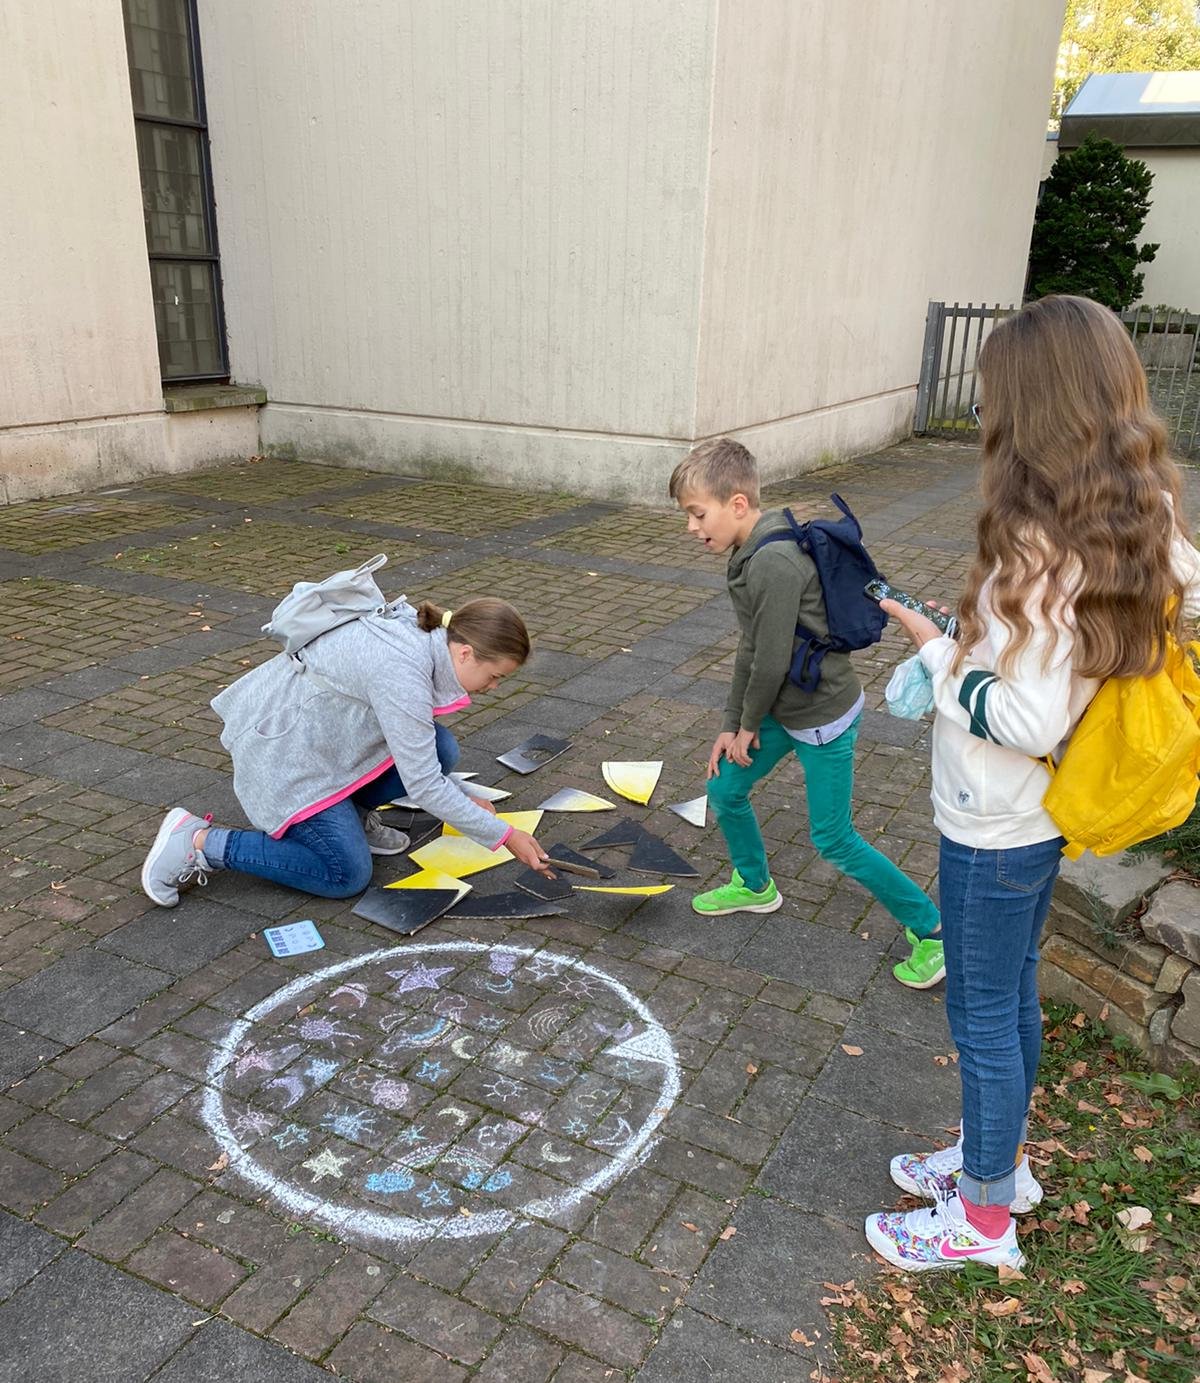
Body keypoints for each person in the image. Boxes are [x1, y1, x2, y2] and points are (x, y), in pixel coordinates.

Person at [866, 294, 1200, 1272]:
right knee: (1008, 995)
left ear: (1036, 410)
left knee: (982, 1016)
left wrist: (937, 656)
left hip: (995, 820)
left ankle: (979, 1223)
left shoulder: (1042, 541)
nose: (983, 417)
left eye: (994, 398)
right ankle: (992, 1168)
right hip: (1032, 817)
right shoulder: (1140, 513)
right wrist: (972, 642)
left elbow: (1025, 718)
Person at [668, 438, 944, 989]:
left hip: (820, 715)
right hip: (783, 705)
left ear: (739, 504)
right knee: (725, 790)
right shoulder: (750, 552)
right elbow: (752, 646)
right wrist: (730, 725)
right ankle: (755, 886)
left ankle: (932, 931)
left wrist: (747, 726)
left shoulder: (771, 561)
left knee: (834, 838)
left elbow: (769, 660)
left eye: (699, 514)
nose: (692, 528)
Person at [140, 595, 551, 906]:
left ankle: (352, 815)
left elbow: (421, 759)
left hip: (323, 742)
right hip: (286, 759)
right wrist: (505, 836)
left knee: (440, 747)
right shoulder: (402, 673)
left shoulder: (426, 636)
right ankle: (198, 842)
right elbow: (423, 784)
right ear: (465, 652)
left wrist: (462, 798)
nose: (493, 687)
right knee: (345, 874)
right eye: (494, 676)